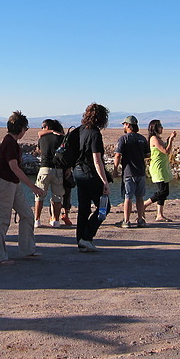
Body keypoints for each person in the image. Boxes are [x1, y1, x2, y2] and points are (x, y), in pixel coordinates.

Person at [0, 111, 45, 265]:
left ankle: (27, 249)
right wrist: (33, 187)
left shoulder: (11, 143)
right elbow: (14, 167)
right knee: (3, 220)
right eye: (25, 129)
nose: (25, 132)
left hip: (13, 183)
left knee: (27, 215)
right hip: (5, 183)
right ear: (20, 129)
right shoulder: (9, 143)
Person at [73, 103, 111, 252]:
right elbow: (97, 160)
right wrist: (105, 181)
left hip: (78, 171)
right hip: (89, 174)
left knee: (84, 208)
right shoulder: (95, 134)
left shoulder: (81, 130)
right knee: (104, 207)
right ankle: (87, 237)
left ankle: (81, 241)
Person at [113, 115, 150, 228]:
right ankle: (140, 219)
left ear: (128, 125)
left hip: (129, 173)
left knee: (128, 197)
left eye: (124, 124)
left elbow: (118, 155)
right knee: (140, 197)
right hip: (141, 172)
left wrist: (115, 169)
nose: (124, 126)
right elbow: (148, 155)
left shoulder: (124, 139)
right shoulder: (142, 139)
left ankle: (126, 220)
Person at [34, 119, 66, 228]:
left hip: (44, 168)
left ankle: (37, 220)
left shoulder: (42, 138)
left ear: (46, 127)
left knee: (39, 195)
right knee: (57, 197)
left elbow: (39, 150)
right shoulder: (61, 138)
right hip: (58, 169)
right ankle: (56, 220)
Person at [143, 120, 176, 222]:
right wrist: (170, 140)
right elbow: (165, 151)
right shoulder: (154, 139)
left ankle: (159, 215)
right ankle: (145, 204)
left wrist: (169, 139)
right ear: (155, 128)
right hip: (158, 168)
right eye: (160, 126)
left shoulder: (158, 139)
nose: (162, 128)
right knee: (163, 191)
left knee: (165, 190)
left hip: (163, 167)